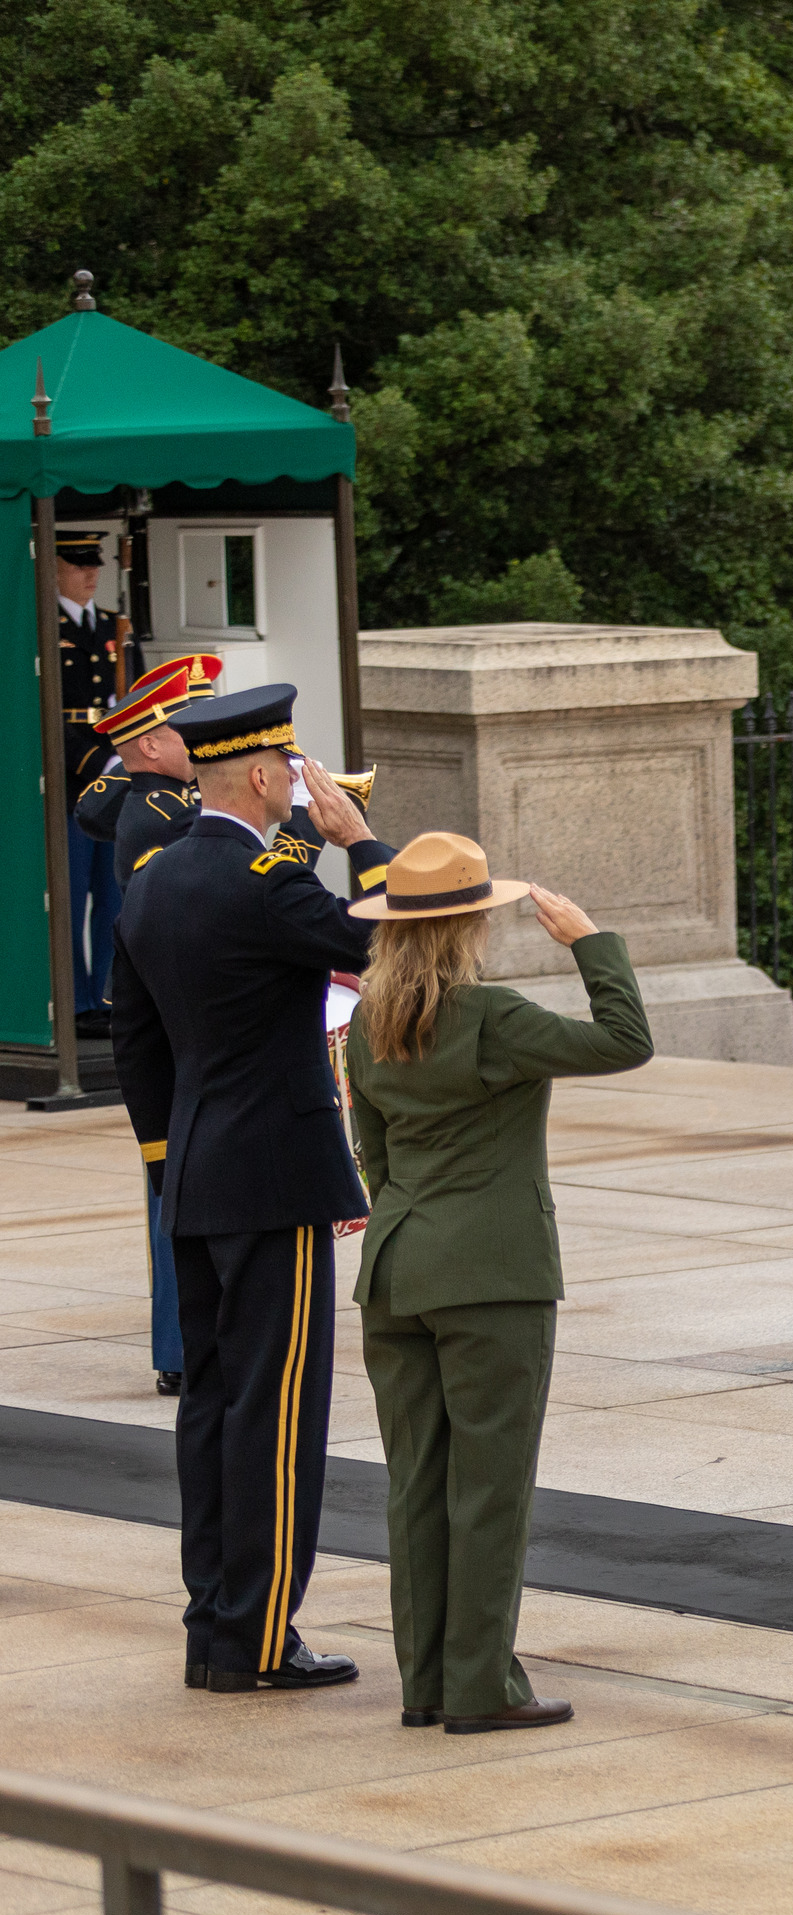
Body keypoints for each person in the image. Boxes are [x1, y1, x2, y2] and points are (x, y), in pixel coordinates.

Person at [112, 685, 394, 1694]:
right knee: (276, 1416)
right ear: (267, 774)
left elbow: (135, 1041)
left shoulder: (154, 878)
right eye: (291, 765)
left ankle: (213, 1623)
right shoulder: (266, 880)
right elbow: (390, 936)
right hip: (274, 1175)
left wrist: (165, 1159)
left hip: (191, 1174)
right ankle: (259, 1637)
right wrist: (359, 841)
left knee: (215, 1409)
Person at [347, 833, 651, 1734]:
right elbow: (624, 1040)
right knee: (489, 1487)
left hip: (396, 1273)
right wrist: (591, 941)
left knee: (416, 1487)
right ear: (470, 922)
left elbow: (373, 1153)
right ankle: (480, 1686)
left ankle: (425, 1683)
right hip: (490, 1273)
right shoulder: (492, 1017)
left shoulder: (366, 1018)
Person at [74, 657, 232, 1395]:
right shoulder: (167, 816)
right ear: (148, 745)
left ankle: (186, 1340)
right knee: (181, 1174)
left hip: (166, 1008)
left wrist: (134, 748)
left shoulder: (152, 795)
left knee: (182, 1176)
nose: (200, 739)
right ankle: (182, 1346)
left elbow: (91, 806)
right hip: (175, 1011)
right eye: (184, 728)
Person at [58, 526, 141, 1030]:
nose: (91, 572)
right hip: (72, 783)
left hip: (120, 785)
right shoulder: (42, 632)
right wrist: (101, 763)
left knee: (114, 894)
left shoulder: (118, 627)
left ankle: (109, 999)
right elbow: (46, 717)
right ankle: (74, 1003)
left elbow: (146, 704)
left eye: (95, 562)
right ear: (53, 569)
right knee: (68, 897)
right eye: (77, 563)